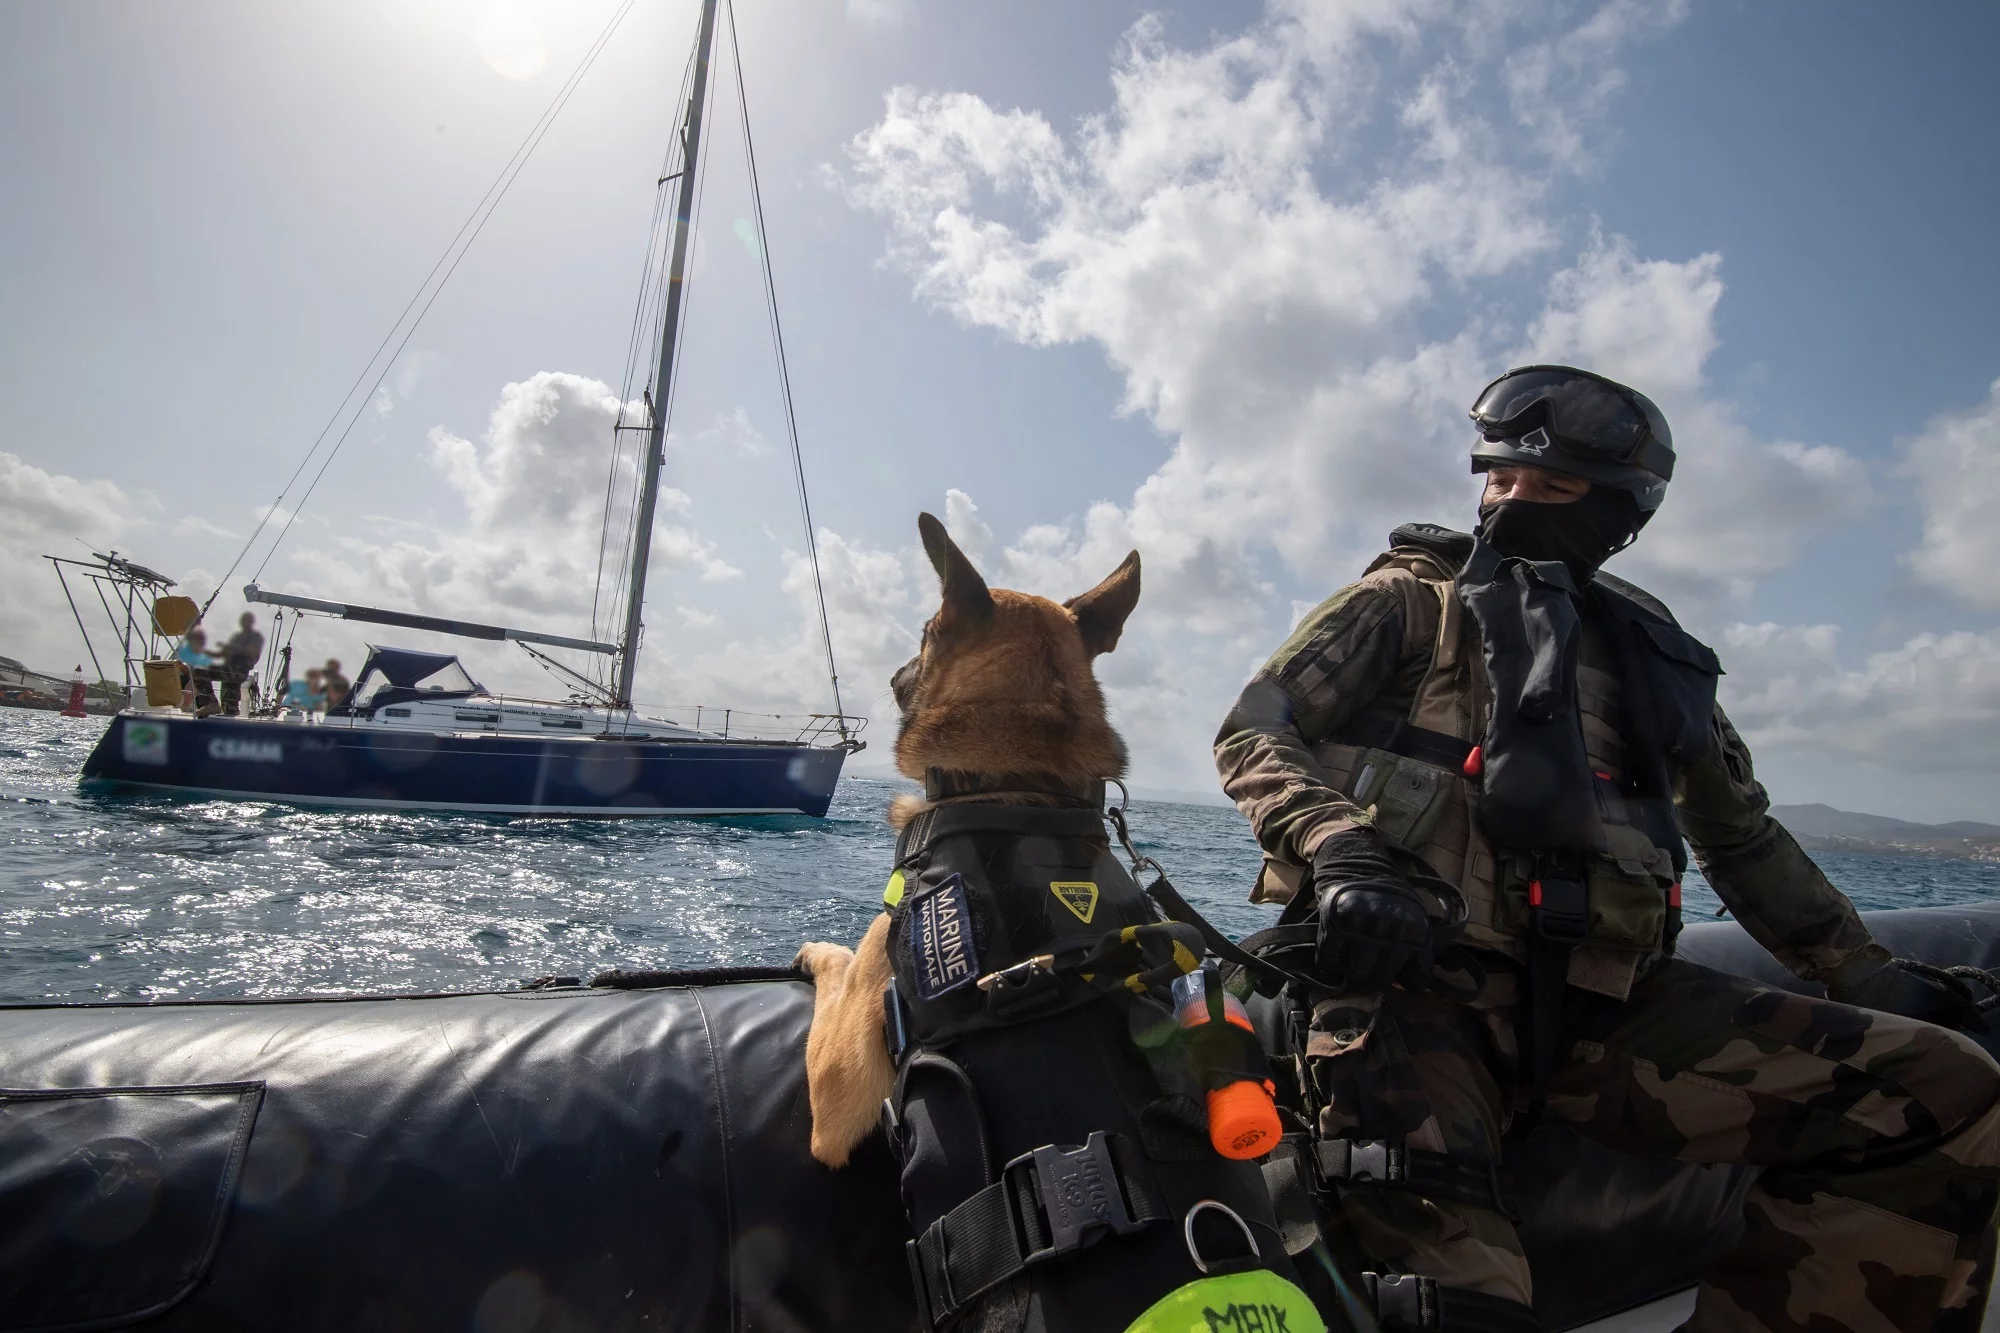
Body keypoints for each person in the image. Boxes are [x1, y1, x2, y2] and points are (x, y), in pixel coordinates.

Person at [1214, 365, 2000, 1332]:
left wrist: (1863, 973)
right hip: (1410, 997)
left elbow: (1740, 835)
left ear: (1621, 512)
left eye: (1552, 488)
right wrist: (1342, 849)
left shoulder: (1651, 657)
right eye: (1499, 480)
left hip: (1604, 1008)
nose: (1512, 503)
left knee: (1944, 1091)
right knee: (1466, 1308)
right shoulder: (1409, 602)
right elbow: (1256, 727)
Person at [217, 612, 264, 717]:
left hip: (240, 670)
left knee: (232, 688)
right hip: (229, 667)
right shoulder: (238, 636)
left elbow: (253, 655)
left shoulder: (255, 637)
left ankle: (231, 711)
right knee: (225, 688)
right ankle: (225, 710)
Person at [173, 627, 221, 715]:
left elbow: (203, 672)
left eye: (202, 639)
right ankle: (184, 707)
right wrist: (182, 667)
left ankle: (186, 707)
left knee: (194, 680)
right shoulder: (182, 651)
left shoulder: (205, 655)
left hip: (194, 682)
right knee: (192, 678)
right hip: (177, 679)